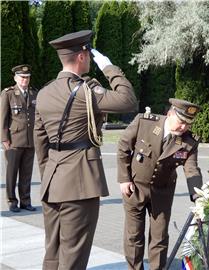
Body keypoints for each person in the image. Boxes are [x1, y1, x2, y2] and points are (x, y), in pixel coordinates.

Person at [33, 30, 137, 270]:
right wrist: (109, 67)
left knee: (53, 253)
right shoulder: (86, 93)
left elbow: (41, 143)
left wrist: (50, 175)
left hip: (52, 183)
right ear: (81, 56)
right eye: (89, 54)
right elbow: (128, 100)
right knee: (73, 257)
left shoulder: (44, 93)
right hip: (79, 184)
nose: (91, 59)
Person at [117, 98, 203, 270]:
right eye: (181, 122)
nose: (184, 127)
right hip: (135, 188)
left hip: (163, 192)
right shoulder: (144, 123)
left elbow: (191, 169)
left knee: (159, 237)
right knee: (134, 235)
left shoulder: (189, 142)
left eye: (188, 124)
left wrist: (198, 196)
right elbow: (123, 147)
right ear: (169, 114)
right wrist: (124, 178)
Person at [0, 64, 37, 212]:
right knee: (12, 173)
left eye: (27, 77)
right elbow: (2, 118)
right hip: (13, 140)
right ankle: (11, 201)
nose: (25, 80)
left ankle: (25, 201)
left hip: (30, 140)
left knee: (26, 173)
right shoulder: (8, 93)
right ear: (16, 78)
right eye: (22, 77)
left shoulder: (35, 93)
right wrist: (4, 139)